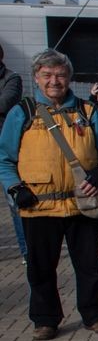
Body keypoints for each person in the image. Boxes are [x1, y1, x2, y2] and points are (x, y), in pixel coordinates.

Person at [0, 49, 98, 339]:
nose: (54, 81)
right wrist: (16, 188)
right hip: (38, 206)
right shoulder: (23, 112)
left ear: (69, 78)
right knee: (41, 267)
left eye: (60, 75)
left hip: (82, 203)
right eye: (47, 75)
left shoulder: (87, 111)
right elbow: (4, 158)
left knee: (89, 265)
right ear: (36, 78)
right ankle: (45, 319)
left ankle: (95, 315)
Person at [0, 44, 27, 262]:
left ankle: (27, 250)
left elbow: (4, 103)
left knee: (14, 200)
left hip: (7, 147)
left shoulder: (11, 78)